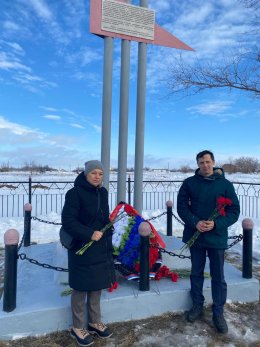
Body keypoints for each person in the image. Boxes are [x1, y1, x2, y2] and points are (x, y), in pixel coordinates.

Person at [177, 150, 240, 334]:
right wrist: (194, 222)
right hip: (196, 236)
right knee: (196, 272)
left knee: (218, 276)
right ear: (197, 164)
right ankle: (197, 305)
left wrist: (216, 224)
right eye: (201, 162)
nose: (205, 165)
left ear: (213, 162)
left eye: (207, 161)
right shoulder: (189, 183)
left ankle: (218, 312)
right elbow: (182, 206)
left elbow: (234, 211)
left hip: (216, 237)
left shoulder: (225, 185)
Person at [62, 160, 115, 346]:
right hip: (81, 247)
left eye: (101, 174)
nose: (97, 177)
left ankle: (94, 322)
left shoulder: (103, 192)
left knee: (96, 285)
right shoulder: (74, 193)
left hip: (99, 246)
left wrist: (109, 229)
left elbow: (104, 217)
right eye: (94, 173)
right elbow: (68, 221)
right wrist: (89, 234)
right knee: (81, 287)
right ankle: (77, 327)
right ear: (86, 174)